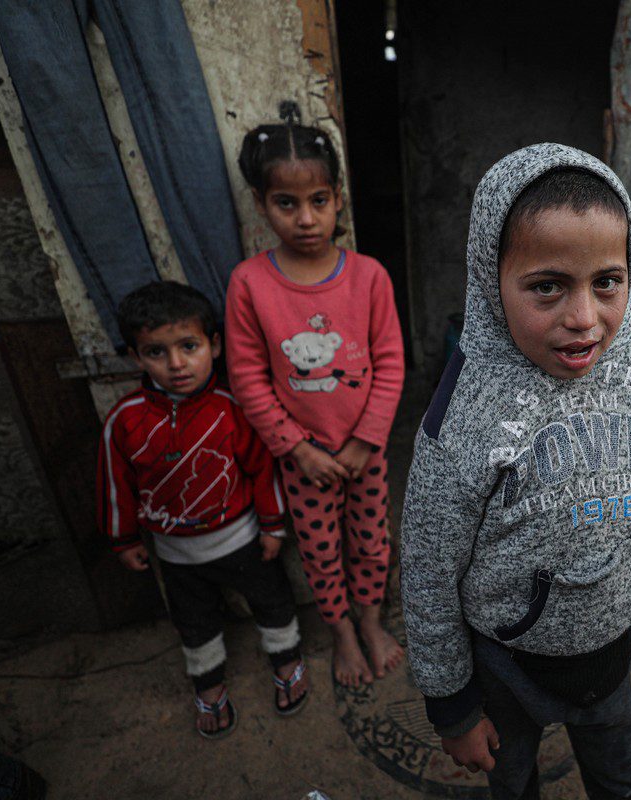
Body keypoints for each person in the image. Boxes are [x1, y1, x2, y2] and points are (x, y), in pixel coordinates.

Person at [401, 143, 631, 799]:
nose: (584, 319)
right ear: (489, 281)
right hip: (506, 665)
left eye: (606, 282)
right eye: (547, 286)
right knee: (513, 784)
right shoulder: (466, 415)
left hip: (613, 652)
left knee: (621, 783)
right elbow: (428, 566)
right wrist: (453, 707)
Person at [225, 122, 405, 688]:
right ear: (260, 203)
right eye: (286, 203)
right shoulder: (250, 284)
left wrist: (363, 440)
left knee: (372, 541)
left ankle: (372, 622)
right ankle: (342, 634)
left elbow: (391, 364)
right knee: (321, 551)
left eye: (318, 201)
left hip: (364, 453)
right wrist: (297, 449)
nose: (305, 218)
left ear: (337, 200)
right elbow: (248, 377)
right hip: (303, 461)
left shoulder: (369, 277)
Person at [98, 281, 308, 739]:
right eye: (156, 352)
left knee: (271, 601)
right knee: (194, 622)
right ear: (135, 357)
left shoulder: (232, 409)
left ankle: (287, 659)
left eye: (188, 346)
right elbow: (117, 485)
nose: (175, 364)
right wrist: (125, 538)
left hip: (243, 539)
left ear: (213, 345)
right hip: (175, 555)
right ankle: (209, 686)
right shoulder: (125, 420)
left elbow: (261, 471)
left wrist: (273, 526)